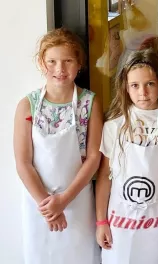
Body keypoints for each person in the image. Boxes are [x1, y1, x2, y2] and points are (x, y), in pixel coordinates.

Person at [14, 28, 102, 264]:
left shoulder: (90, 103)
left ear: (79, 64)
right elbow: (23, 162)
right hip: (38, 202)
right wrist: (48, 207)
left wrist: (63, 200)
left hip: (77, 198)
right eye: (52, 61)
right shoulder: (28, 105)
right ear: (42, 63)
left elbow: (93, 157)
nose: (60, 69)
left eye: (68, 61)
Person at [95, 49, 158, 263]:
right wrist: (101, 222)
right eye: (135, 85)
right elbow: (104, 177)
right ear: (125, 87)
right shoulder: (114, 125)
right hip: (119, 219)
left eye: (150, 84)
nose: (143, 92)